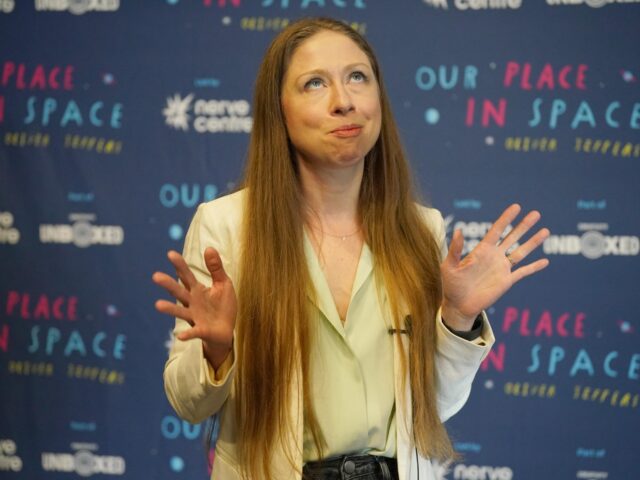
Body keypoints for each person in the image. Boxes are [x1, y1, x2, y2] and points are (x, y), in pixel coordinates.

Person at [152, 17, 550, 480]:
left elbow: (433, 409)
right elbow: (187, 404)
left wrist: (457, 319)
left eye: (357, 77)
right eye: (315, 83)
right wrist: (217, 351)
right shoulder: (227, 227)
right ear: (277, 109)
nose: (344, 102)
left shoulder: (421, 230)